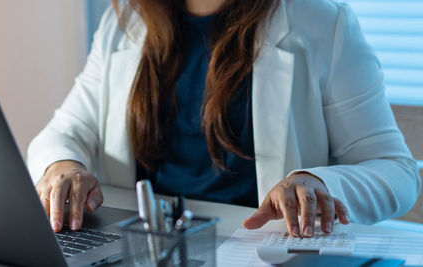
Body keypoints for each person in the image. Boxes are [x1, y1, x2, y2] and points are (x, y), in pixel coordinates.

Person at [27, 0, 421, 238]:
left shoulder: (321, 21)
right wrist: (63, 166)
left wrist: (317, 183)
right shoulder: (125, 20)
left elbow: (399, 173)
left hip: (254, 247)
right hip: (146, 247)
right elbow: (64, 132)